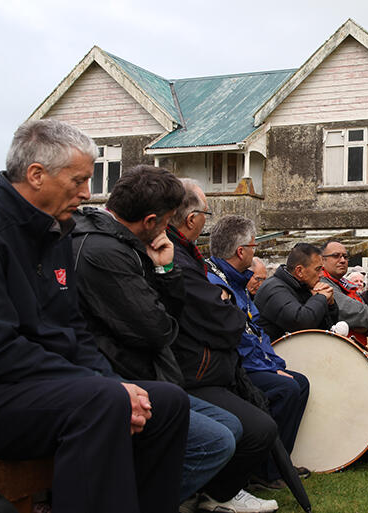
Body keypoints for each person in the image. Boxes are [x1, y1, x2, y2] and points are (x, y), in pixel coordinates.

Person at [0, 119, 190, 513]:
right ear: (37, 175)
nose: (88, 194)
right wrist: (99, 385)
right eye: (78, 181)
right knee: (102, 401)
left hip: (40, 387)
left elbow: (74, 331)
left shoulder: (57, 232)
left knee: (167, 402)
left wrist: (114, 382)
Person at [72, 168, 275, 513]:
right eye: (168, 221)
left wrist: (164, 272)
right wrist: (168, 276)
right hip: (124, 377)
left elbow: (166, 319)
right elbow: (160, 328)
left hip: (148, 373)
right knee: (219, 438)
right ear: (151, 220)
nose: (171, 228)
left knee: (231, 426)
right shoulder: (104, 251)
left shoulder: (133, 246)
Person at [160, 182, 280, 510]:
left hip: (209, 367)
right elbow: (224, 322)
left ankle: (218, 491)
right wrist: (229, 311)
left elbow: (233, 320)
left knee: (269, 410)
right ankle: (215, 493)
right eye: (204, 214)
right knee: (255, 428)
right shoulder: (177, 257)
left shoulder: (185, 255)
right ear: (191, 219)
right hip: (193, 373)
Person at [203, 213, 310, 484]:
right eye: (253, 247)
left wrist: (275, 366)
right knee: (286, 389)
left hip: (251, 363)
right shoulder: (216, 284)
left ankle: (281, 461)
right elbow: (239, 341)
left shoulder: (235, 282)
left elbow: (257, 332)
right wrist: (271, 370)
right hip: (234, 370)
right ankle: (265, 470)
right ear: (241, 251)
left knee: (300, 382)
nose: (255, 252)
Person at [316, 240, 368, 464]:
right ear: (322, 260)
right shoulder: (323, 283)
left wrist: (366, 321)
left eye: (345, 255)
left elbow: (362, 312)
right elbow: (354, 313)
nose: (342, 259)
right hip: (339, 353)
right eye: (336, 255)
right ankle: (360, 442)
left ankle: (363, 436)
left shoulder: (343, 284)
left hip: (358, 349)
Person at [254, 243, 338, 342]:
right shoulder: (273, 289)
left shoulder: (302, 286)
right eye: (317, 269)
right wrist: (320, 297)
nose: (321, 274)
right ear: (299, 271)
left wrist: (330, 304)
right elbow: (300, 323)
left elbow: (326, 328)